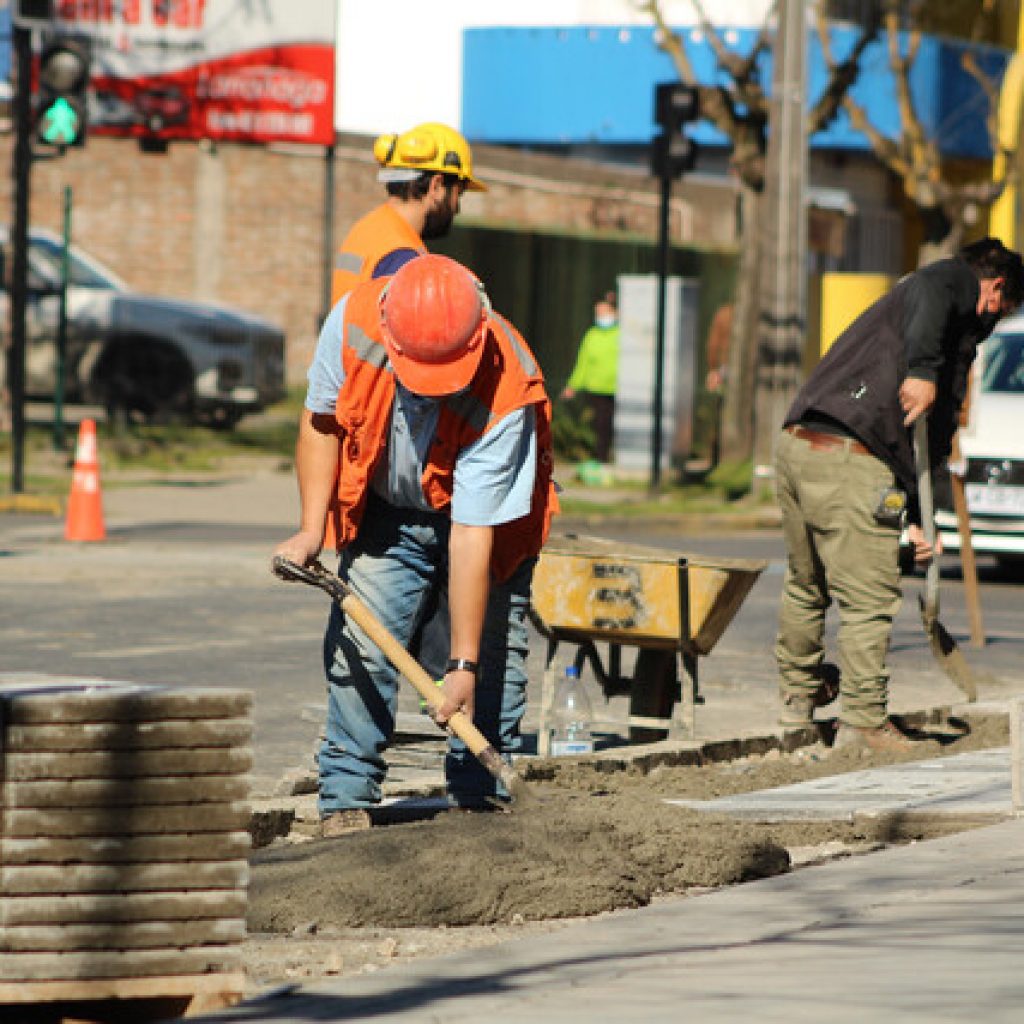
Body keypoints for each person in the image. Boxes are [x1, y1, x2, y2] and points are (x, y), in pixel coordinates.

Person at [273, 254, 559, 836]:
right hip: (388, 512)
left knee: (492, 663)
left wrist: (461, 664)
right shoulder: (354, 321)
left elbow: (473, 533)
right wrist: (310, 528)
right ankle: (346, 801)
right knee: (363, 646)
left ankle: (482, 804)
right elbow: (321, 421)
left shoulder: (508, 383)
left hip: (486, 524)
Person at [774, 237, 1024, 750]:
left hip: (798, 445)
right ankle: (864, 723)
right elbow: (937, 284)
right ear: (996, 285)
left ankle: (798, 706)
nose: (996, 318)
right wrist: (922, 372)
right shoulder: (950, 283)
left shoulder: (909, 317)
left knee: (807, 584)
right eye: (1005, 307)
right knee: (870, 598)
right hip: (853, 455)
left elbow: (925, 441)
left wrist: (913, 517)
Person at [330, 122, 485, 305]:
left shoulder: (366, 229)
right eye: (458, 193)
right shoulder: (402, 259)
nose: (457, 208)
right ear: (436, 187)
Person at [561, 290, 620, 464]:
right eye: (598, 313)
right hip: (596, 388)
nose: (601, 316)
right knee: (600, 425)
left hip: (618, 388)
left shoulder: (622, 335)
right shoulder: (592, 335)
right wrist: (573, 385)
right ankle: (601, 458)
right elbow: (583, 364)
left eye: (604, 312)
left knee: (612, 426)